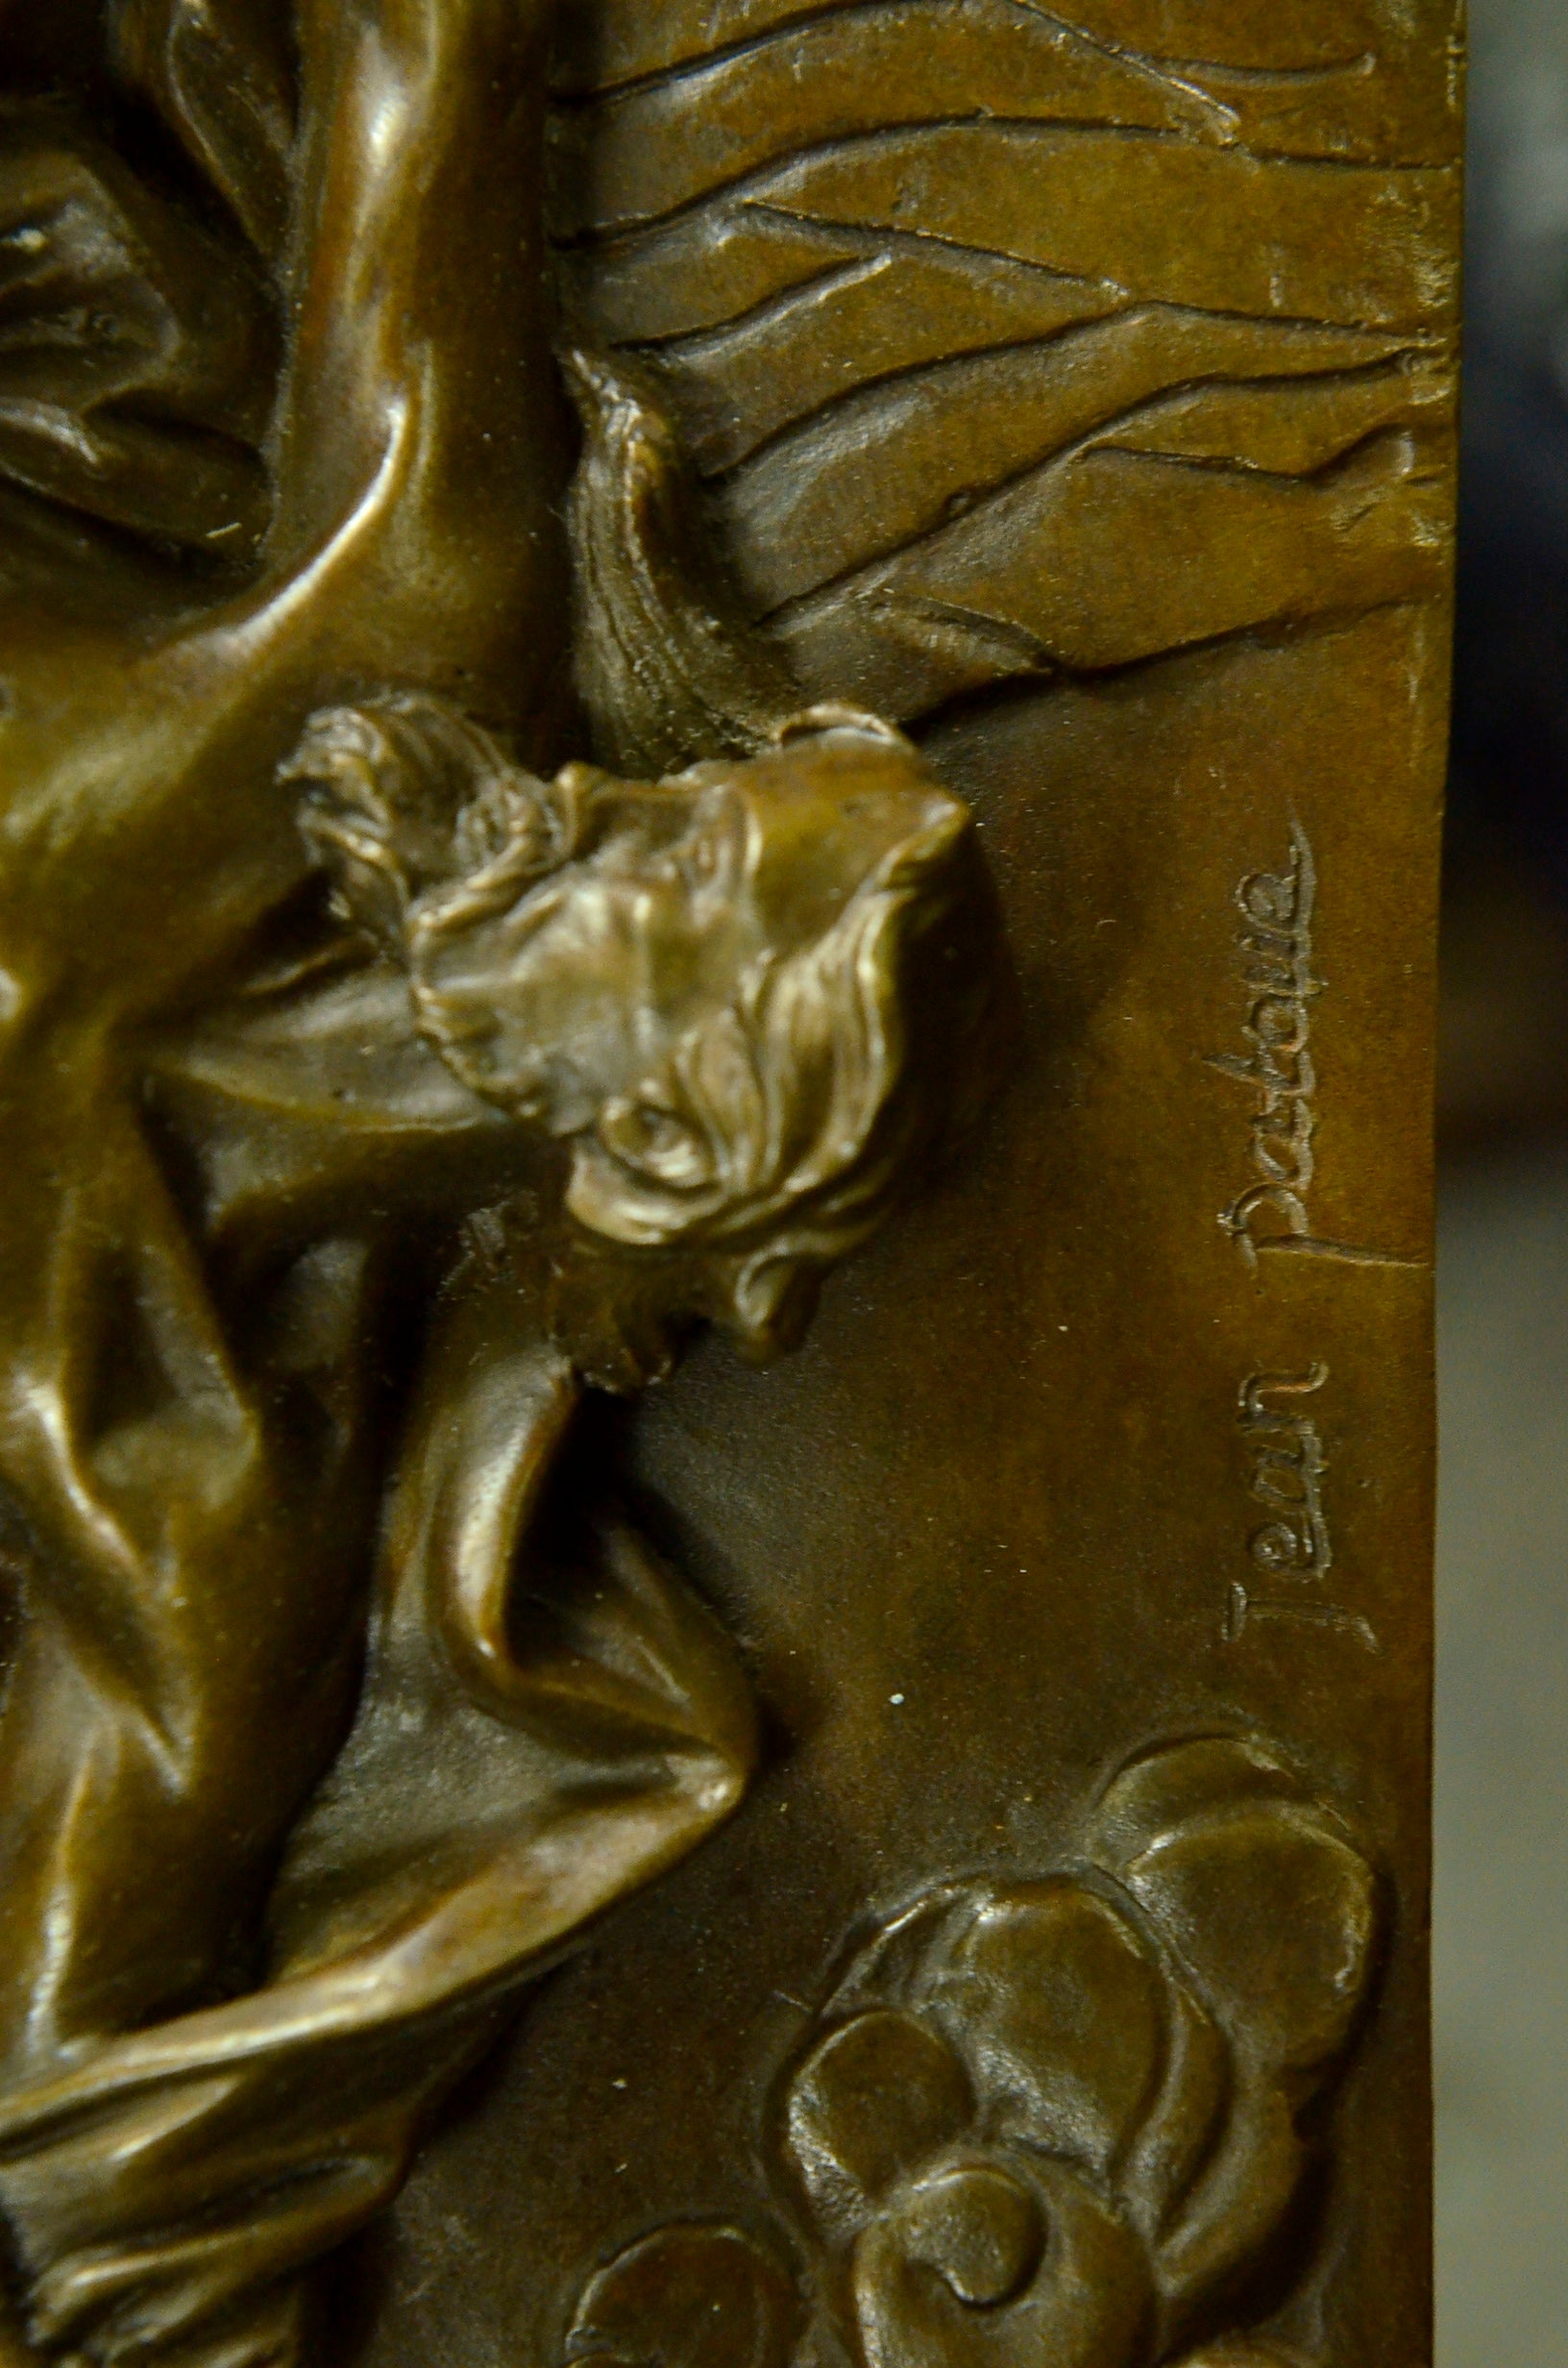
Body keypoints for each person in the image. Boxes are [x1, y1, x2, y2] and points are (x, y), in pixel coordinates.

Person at [0, 6, 1000, 2361]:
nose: (609, 784)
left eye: (689, 857)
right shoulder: (373, 686)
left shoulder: (203, 1542)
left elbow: (98, 2193)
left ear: (660, 1130)